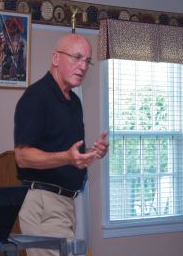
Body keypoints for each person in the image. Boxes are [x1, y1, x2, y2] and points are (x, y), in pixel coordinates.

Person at [13, 33, 109, 256]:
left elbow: (68, 153)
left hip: (65, 205)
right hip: (43, 204)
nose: (83, 66)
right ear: (56, 58)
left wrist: (91, 153)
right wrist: (67, 157)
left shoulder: (74, 102)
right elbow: (22, 156)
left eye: (87, 61)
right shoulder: (36, 97)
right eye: (76, 57)